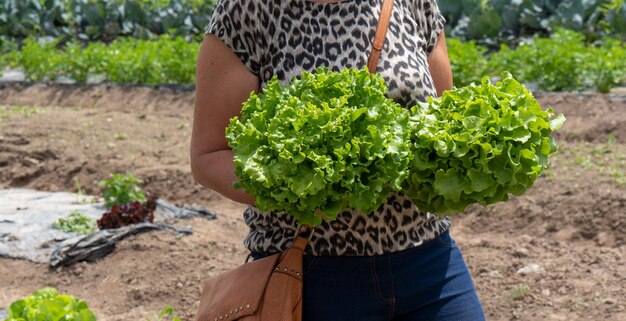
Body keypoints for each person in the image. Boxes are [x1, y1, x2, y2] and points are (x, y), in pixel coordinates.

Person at [190, 0, 486, 320]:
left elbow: (441, 124)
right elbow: (210, 154)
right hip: (309, 273)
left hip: (427, 262)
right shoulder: (246, 10)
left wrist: (470, 161)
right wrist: (305, 187)